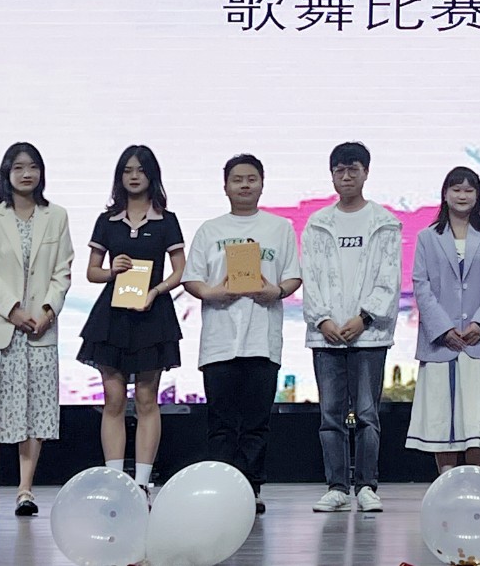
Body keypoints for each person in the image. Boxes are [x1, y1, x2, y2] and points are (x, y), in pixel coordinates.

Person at [182, 154, 301, 516]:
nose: (245, 185)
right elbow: (192, 278)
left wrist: (275, 292)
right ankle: (222, 488)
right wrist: (212, 292)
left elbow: (292, 276)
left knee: (256, 422)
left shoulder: (279, 228)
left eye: (251, 179)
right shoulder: (210, 230)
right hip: (219, 340)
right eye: (237, 179)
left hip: (262, 338)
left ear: (262, 184)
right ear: (225, 187)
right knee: (221, 421)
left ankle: (251, 488)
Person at [0, 142, 73, 517]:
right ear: (6, 173)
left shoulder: (56, 216)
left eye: (33, 167)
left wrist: (47, 311)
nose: (27, 174)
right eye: (19, 167)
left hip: (39, 329)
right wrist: (12, 310)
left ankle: (26, 490)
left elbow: (63, 271)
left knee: (35, 411)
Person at [77, 145, 186, 499]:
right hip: (112, 317)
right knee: (113, 398)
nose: (134, 176)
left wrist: (156, 291)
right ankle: (115, 481)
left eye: (140, 170)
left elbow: (180, 270)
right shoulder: (107, 221)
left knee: (146, 398)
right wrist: (112, 271)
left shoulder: (166, 220)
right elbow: (92, 272)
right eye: (127, 170)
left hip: (152, 316)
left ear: (152, 175)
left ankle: (141, 483)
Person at [301, 142, 402, 513]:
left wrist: (364, 318)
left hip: (370, 336)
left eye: (353, 169)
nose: (346, 176)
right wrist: (322, 319)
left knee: (367, 415)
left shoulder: (384, 223)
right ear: (332, 175)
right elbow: (310, 277)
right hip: (325, 336)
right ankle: (337, 486)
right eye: (339, 170)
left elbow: (389, 278)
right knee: (330, 415)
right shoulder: (318, 224)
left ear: (365, 173)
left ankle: (367, 486)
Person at [406, 166, 480, 471]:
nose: (462, 195)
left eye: (469, 190)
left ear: (478, 195)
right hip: (442, 343)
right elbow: (421, 285)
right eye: (456, 189)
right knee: (441, 415)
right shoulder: (428, 237)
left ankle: (478, 478)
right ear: (445, 194)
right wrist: (443, 329)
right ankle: (446, 479)